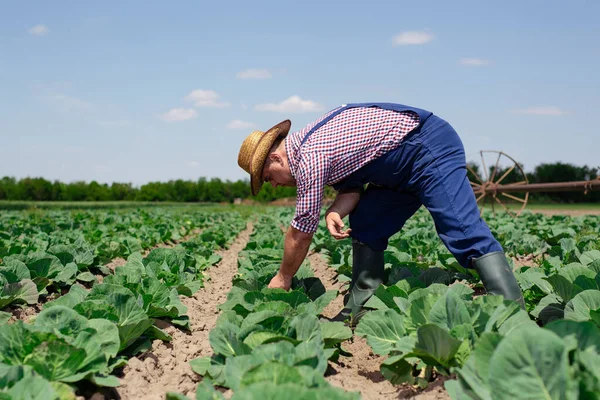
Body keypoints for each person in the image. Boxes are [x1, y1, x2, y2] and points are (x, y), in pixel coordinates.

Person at [237, 102, 524, 326]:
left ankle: (511, 314)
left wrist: (284, 277)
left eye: (268, 177)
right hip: (400, 170)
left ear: (276, 157)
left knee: (460, 228)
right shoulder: (312, 146)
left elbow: (301, 230)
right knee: (367, 219)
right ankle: (361, 308)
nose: (273, 184)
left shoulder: (311, 154)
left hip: (428, 146)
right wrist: (336, 210)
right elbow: (352, 190)